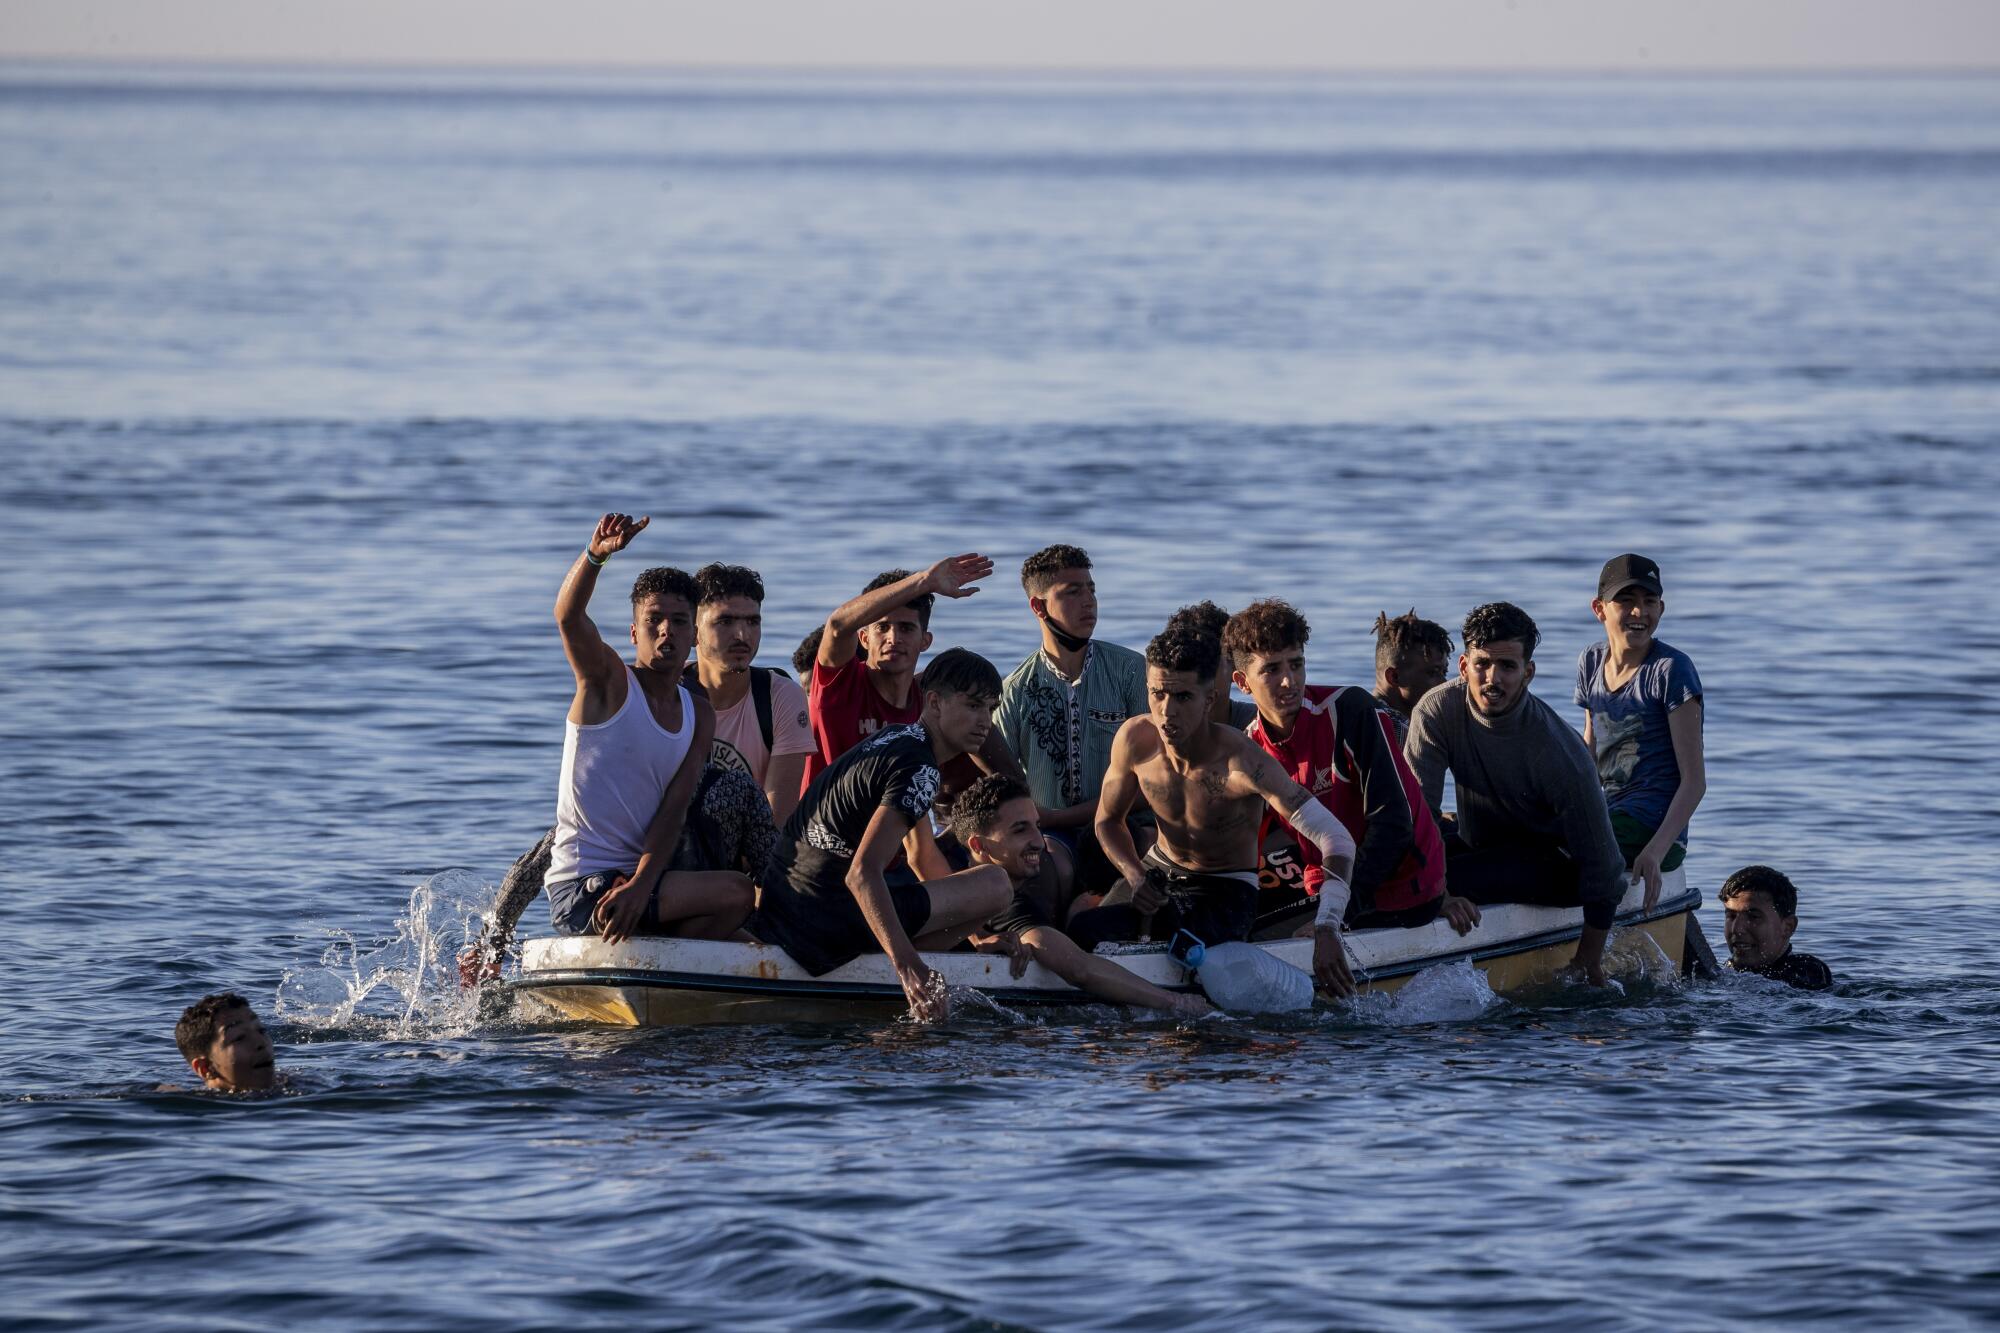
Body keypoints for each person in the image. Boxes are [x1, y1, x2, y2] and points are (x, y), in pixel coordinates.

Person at [1068, 625, 1361, 995]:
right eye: (1158, 694)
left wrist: (1328, 924)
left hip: (1224, 891)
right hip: (1158, 873)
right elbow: (1107, 822)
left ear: (1209, 699)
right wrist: (1136, 876)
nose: (1167, 711)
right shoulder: (1134, 740)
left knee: (1180, 954)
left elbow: (1335, 837)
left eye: (1183, 697)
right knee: (1082, 933)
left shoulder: (1243, 762)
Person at [747, 649, 1014, 1021]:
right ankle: (904, 960)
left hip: (783, 904)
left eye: (990, 708)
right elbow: (861, 874)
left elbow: (919, 856)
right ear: (934, 702)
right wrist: (907, 966)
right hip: (822, 921)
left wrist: (975, 938)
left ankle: (903, 950)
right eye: (972, 706)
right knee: (996, 883)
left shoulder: (894, 738)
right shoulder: (921, 770)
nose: (984, 721)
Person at [1223, 600, 1477, 970]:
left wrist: (1333, 920)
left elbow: (1393, 826)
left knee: (1257, 944)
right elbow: (1247, 846)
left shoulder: (1349, 710)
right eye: (1271, 670)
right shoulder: (1249, 747)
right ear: (1243, 683)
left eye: (1296, 664)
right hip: (1330, 890)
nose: (1289, 681)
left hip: (1402, 890)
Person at [540, 513, 750, 946]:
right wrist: (594, 557)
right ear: (634, 632)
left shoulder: (699, 713)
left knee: (739, 896)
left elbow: (672, 812)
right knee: (735, 891)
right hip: (582, 890)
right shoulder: (608, 682)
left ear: (694, 635)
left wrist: (640, 885)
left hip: (642, 883)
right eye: (654, 619)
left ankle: (662, 956)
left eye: (678, 621)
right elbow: (567, 617)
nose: (665, 630)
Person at [1404, 602, 1626, 986]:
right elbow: (1416, 819)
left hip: (1556, 866)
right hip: (1484, 845)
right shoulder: (1436, 711)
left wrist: (1588, 959)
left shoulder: (1558, 751)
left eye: (1507, 667)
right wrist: (1438, 896)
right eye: (1483, 664)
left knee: (1436, 881)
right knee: (1385, 866)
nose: (1494, 678)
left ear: (1528, 673)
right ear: (1463, 666)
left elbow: (1605, 870)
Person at [952, 775, 1209, 1017]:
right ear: (979, 845)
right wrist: (1177, 1002)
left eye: (1037, 826)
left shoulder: (948, 866)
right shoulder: (1006, 901)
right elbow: (1078, 969)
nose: (1039, 842)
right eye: (1020, 830)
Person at [992, 544, 1148, 901]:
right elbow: (999, 783)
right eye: (1072, 592)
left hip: (1128, 823)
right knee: (1049, 869)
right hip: (1050, 835)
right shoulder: (1016, 690)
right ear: (1038, 606)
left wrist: (1056, 817)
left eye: (1091, 589)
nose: (1089, 601)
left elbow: (1152, 785)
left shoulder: (1130, 671)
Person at [806, 555, 1024, 788]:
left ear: (925, 641)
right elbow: (838, 625)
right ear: (864, 638)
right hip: (824, 823)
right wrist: (924, 581)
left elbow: (1003, 771)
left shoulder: (931, 700)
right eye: (882, 627)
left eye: (906, 628)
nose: (894, 638)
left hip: (899, 819)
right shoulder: (840, 685)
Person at [1576, 554, 1706, 908]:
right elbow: (1590, 750)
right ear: (1599, 609)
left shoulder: (1671, 670)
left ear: (1661, 608)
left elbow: (1694, 782)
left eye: (1649, 602)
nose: (1639, 613)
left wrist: (1655, 851)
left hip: (1653, 828)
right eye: (1626, 601)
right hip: (1609, 815)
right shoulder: (1590, 661)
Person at [690, 562, 816, 826]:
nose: (742, 635)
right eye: (725, 621)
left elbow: (776, 820)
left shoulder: (781, 696)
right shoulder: (666, 692)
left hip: (751, 851)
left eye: (752, 622)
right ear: (694, 631)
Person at [1718, 865, 1834, 990]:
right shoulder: (1725, 971)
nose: (1737, 929)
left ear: (1787, 927)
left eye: (1753, 917)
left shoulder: (1806, 972)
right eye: (1731, 916)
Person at [1163, 600, 1259, 729]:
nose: (1194, 676)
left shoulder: (1261, 728)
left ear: (1234, 667)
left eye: (1206, 664)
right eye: (1184, 665)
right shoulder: (1151, 731)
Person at [1372, 610, 1452, 745]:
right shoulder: (1398, 730)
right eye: (1432, 673)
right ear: (1394, 677)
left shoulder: (1358, 715)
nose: (1444, 684)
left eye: (1444, 673)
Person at [174, 993, 278, 1092]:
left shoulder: (288, 1082)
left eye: (261, 1030)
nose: (261, 1043)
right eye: (239, 1038)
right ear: (206, 1068)